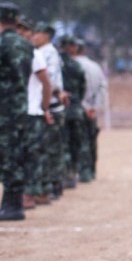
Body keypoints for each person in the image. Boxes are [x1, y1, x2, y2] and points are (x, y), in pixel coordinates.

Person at [0, 2, 33, 220]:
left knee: (5, 156)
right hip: (20, 106)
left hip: (1, 108)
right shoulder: (26, 44)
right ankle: (15, 201)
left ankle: (11, 205)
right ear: (17, 21)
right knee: (17, 154)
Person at [31, 23, 67, 197]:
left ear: (47, 35)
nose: (34, 35)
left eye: (38, 33)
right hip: (50, 103)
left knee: (51, 148)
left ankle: (53, 185)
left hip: (50, 105)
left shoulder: (48, 53)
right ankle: (52, 184)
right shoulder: (47, 52)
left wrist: (44, 105)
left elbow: (49, 80)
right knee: (51, 147)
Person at [20, 17, 53, 206]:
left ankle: (31, 194)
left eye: (26, 31)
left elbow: (46, 83)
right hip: (20, 112)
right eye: (19, 30)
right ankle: (36, 192)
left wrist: (44, 107)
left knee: (32, 155)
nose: (22, 34)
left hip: (33, 111)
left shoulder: (34, 54)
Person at [67, 37, 105, 182]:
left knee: (78, 140)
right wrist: (95, 108)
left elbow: (75, 91)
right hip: (92, 110)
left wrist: (84, 107)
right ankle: (91, 170)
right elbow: (102, 88)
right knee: (91, 139)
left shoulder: (72, 66)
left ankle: (80, 171)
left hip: (78, 109)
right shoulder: (95, 66)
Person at [58, 34, 87, 188]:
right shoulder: (76, 66)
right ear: (68, 46)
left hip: (59, 107)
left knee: (62, 143)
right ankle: (71, 174)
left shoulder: (56, 62)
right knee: (74, 142)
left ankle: (64, 174)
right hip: (74, 109)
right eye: (73, 45)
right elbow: (83, 89)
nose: (76, 48)